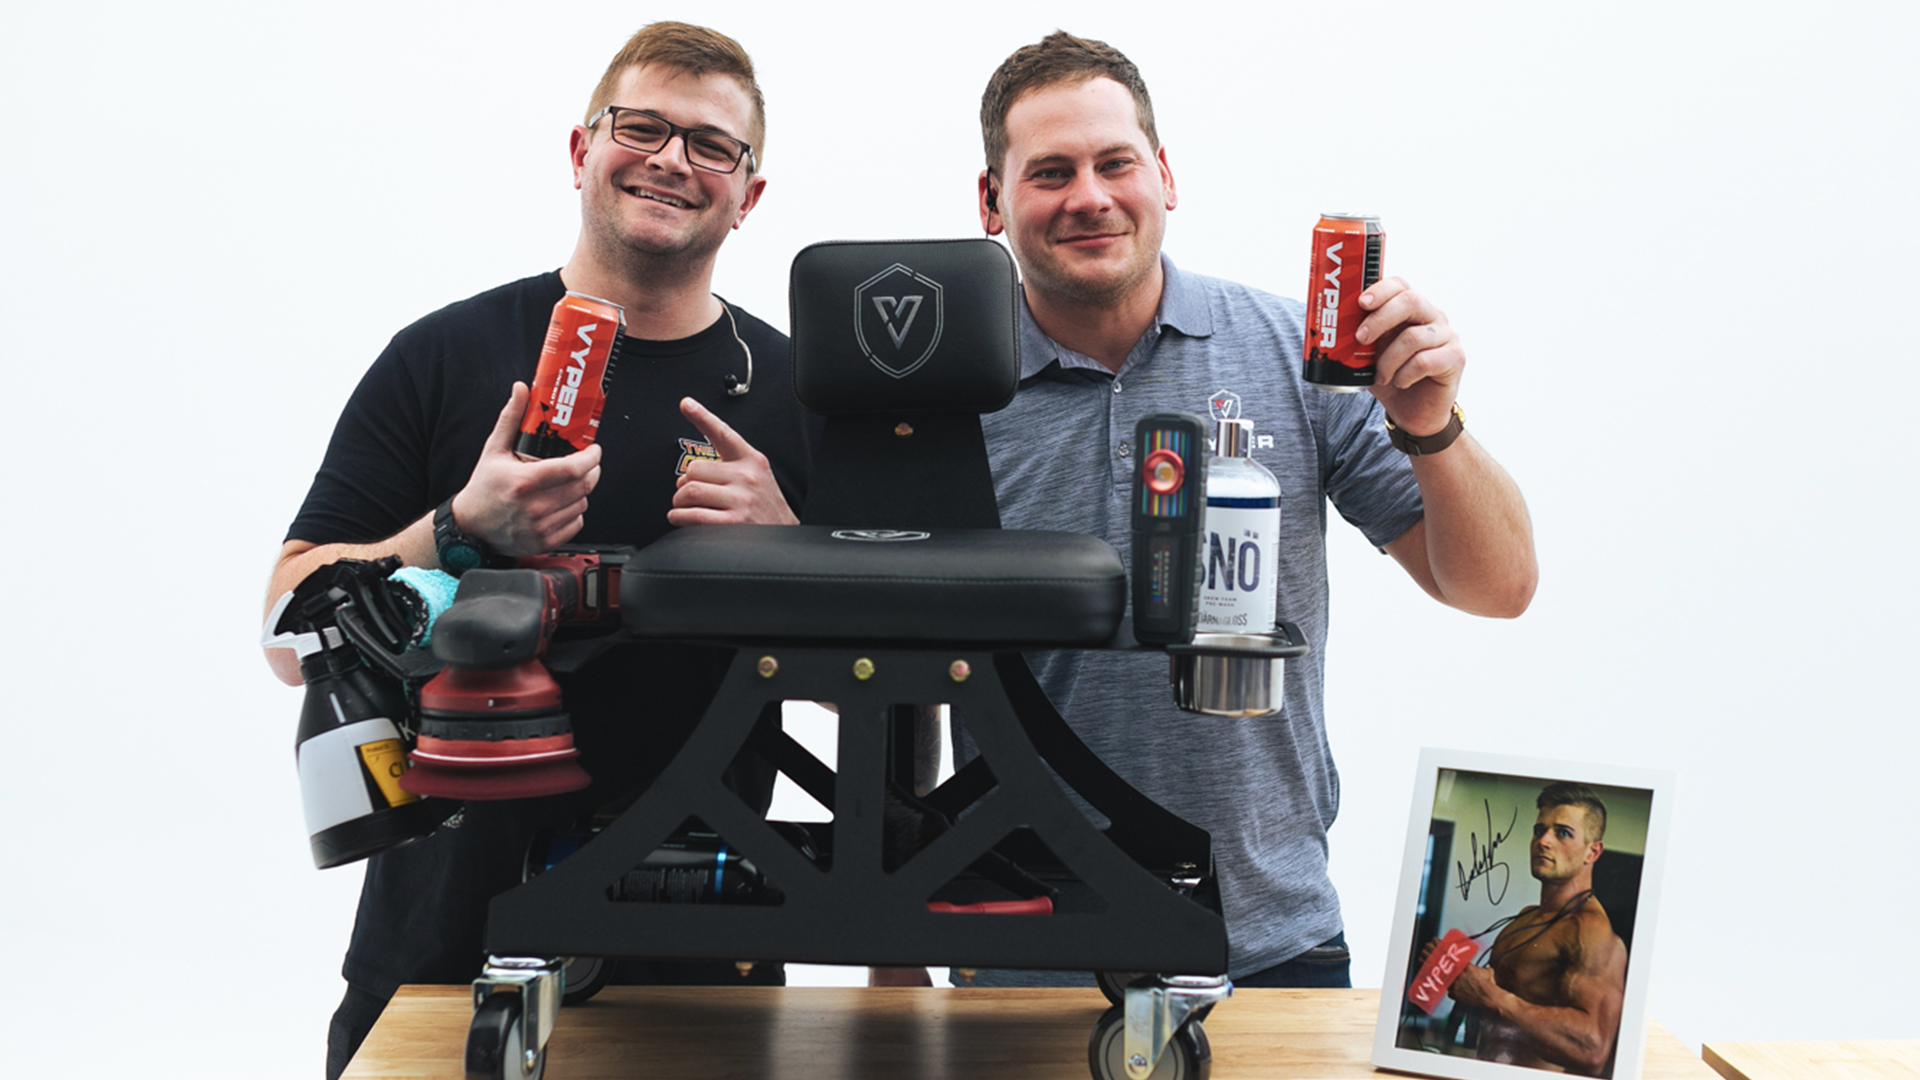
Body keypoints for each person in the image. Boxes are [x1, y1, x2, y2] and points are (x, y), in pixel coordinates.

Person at [260, 23, 814, 1077]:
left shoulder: (799, 394)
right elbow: (286, 631)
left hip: (700, 949)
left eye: (711, 146)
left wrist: (794, 558)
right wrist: (460, 532)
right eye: (641, 127)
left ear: (750, 196)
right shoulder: (444, 354)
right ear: (579, 150)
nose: (669, 160)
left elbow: (914, 691)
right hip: (439, 944)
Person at [944, 31, 1538, 989]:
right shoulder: (941, 393)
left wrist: (1433, 428)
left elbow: (1498, 588)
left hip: (1269, 934)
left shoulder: (1295, 355)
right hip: (1022, 946)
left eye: (1115, 162)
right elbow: (890, 670)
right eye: (1049, 172)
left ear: (1165, 176)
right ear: (991, 202)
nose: (1089, 196)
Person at [1444, 784, 1627, 1074]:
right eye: (1539, 830)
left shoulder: (1591, 932)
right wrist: (1465, 980)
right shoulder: (1526, 917)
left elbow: (1593, 1048)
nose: (1543, 841)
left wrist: (1491, 996)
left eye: (1563, 833)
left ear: (1592, 852)